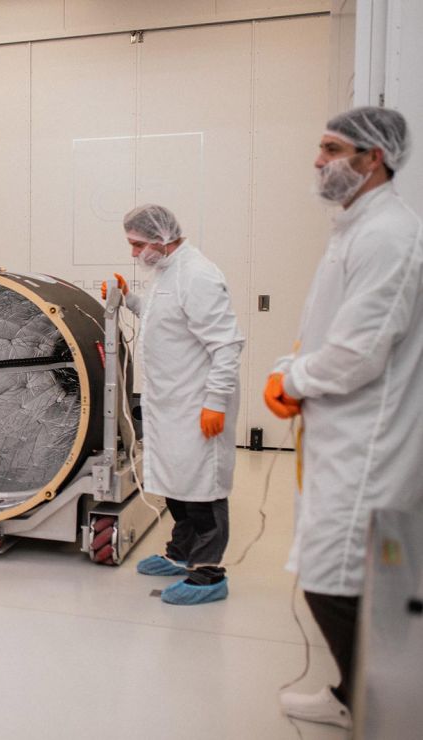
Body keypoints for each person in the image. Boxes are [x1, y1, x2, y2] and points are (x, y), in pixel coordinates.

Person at [263, 106, 421, 730]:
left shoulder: (390, 235)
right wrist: (289, 367)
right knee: (332, 571)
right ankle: (356, 695)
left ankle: (375, 707)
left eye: (331, 148)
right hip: (341, 434)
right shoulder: (356, 229)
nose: (318, 161)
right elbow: (328, 328)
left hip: (368, 444)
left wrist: (293, 380)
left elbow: (358, 350)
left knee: (334, 578)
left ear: (372, 158)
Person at [102, 204, 244, 605]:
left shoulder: (197, 275)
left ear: (161, 239)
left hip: (198, 403)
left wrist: (215, 402)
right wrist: (129, 299)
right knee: (177, 483)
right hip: (170, 402)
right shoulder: (169, 273)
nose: (133, 254)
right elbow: (163, 317)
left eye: (137, 244)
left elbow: (226, 344)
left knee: (203, 487)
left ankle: (208, 573)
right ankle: (181, 554)